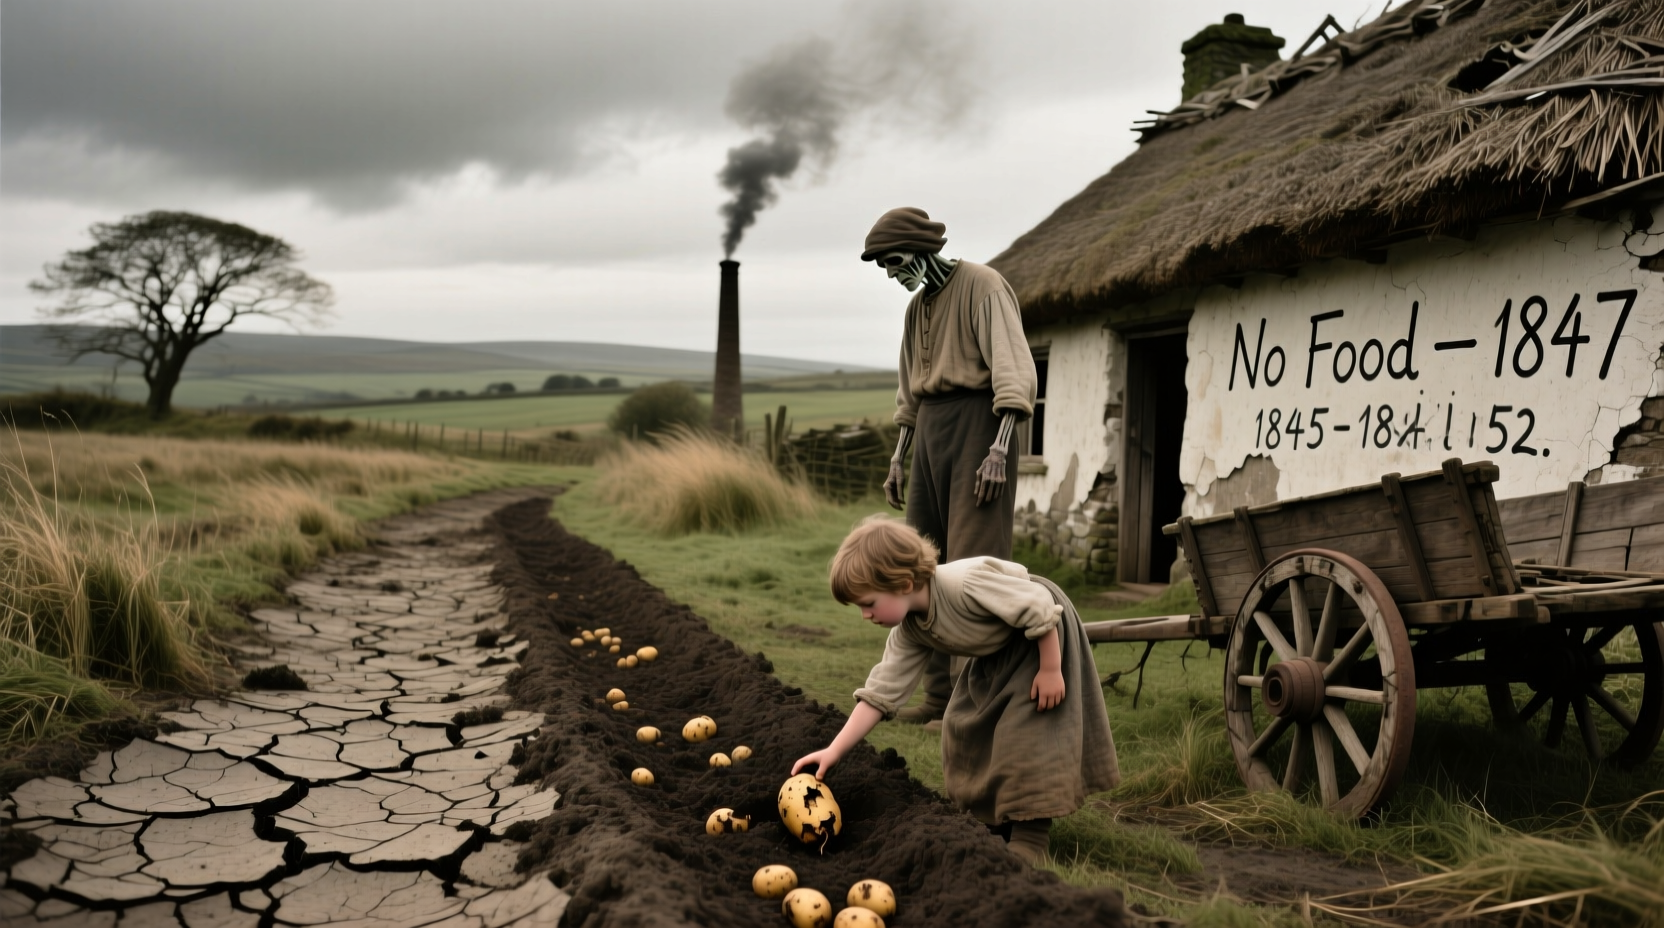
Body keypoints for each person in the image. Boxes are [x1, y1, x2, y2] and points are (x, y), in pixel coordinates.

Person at [792, 516, 1119, 865]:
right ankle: (993, 818)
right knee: (963, 726)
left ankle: (1030, 838)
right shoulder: (909, 630)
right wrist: (834, 750)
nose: (864, 615)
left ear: (903, 583)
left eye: (868, 603)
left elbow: (1038, 605)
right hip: (997, 653)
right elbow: (880, 692)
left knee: (1023, 736)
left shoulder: (965, 584)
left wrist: (1051, 669)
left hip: (1042, 637)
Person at [862, 206, 1037, 724]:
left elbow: (1013, 371)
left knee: (973, 564)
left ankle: (973, 699)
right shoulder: (917, 309)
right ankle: (937, 696)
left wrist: (999, 449)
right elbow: (909, 391)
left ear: (919, 250)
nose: (894, 275)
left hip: (980, 428)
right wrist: (899, 457)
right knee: (919, 565)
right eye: (885, 269)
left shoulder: (983, 286)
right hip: (931, 434)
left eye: (894, 263)